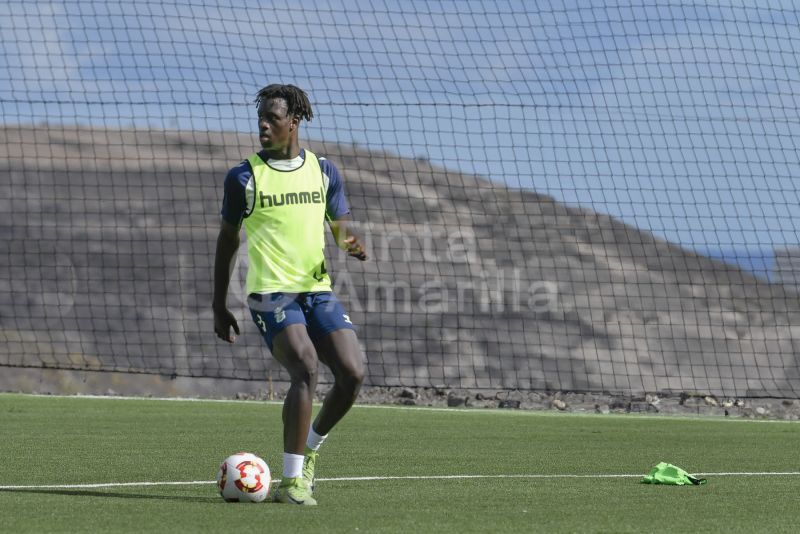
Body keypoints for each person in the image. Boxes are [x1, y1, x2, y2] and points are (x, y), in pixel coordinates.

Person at [213, 84, 367, 506]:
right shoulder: (243, 177)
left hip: (316, 290)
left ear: (293, 122)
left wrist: (351, 243)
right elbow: (227, 241)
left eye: (272, 118)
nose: (263, 125)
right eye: (260, 118)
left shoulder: (323, 170)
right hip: (270, 294)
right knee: (306, 366)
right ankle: (292, 481)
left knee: (353, 374)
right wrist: (218, 304)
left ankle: (311, 449)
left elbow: (340, 227)